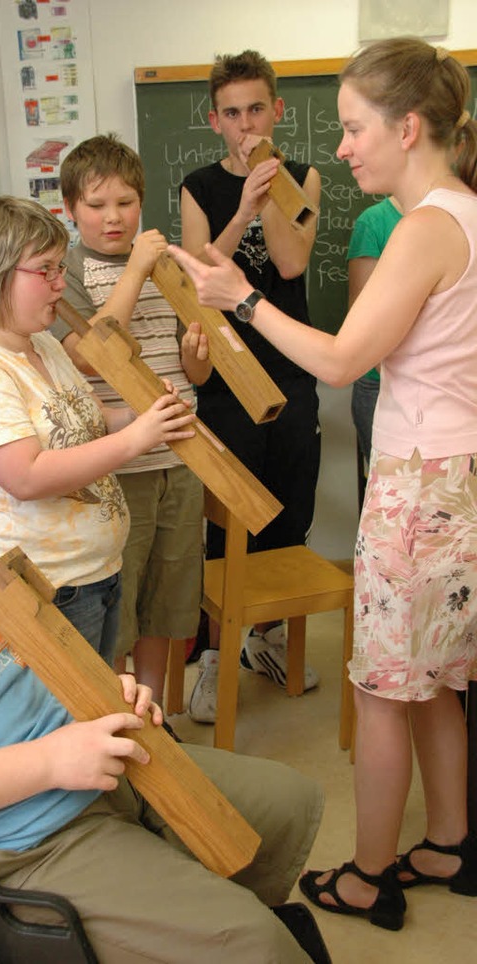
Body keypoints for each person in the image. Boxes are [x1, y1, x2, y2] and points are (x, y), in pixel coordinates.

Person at [0, 373, 325, 964]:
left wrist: (100, 689)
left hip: (88, 756)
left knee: (289, 803)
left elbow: (28, 653)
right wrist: (52, 760)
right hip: (25, 834)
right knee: (253, 945)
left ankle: (189, 916)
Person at [168, 37, 477, 931]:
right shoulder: (466, 211)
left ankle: (371, 873)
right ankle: (452, 839)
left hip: (421, 484)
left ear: (408, 126)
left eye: (353, 128)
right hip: (452, 477)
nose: (340, 149)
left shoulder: (427, 227)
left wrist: (244, 301)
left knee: (383, 688)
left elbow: (342, 360)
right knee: (437, 680)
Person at [0, 196, 195, 668]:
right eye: (45, 270)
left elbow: (90, 422)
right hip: (49, 588)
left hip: (95, 574)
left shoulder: (42, 346)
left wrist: (142, 417)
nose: (59, 282)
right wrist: (136, 440)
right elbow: (27, 477)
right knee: (69, 721)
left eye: (59, 267)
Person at [179, 49, 321, 720]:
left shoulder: (304, 177)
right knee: (228, 519)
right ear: (215, 120)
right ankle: (214, 654)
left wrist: (269, 191)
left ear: (277, 111)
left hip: (293, 372)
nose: (245, 125)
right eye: (232, 113)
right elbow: (201, 282)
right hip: (228, 377)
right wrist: (243, 206)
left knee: (289, 513)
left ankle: (265, 643)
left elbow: (290, 263)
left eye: (256, 109)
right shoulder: (198, 186)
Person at [51, 134, 212, 705]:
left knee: (166, 605)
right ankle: (116, 709)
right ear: (70, 210)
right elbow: (91, 351)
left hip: (180, 458)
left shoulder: (166, 268)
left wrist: (197, 353)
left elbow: (196, 373)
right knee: (117, 604)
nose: (113, 218)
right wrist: (138, 269)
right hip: (116, 465)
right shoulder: (65, 272)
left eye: (125, 203)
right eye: (96, 206)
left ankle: (154, 711)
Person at [348, 196, 402, 465]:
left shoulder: (455, 212)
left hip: (443, 386)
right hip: (380, 384)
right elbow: (361, 318)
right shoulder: (375, 221)